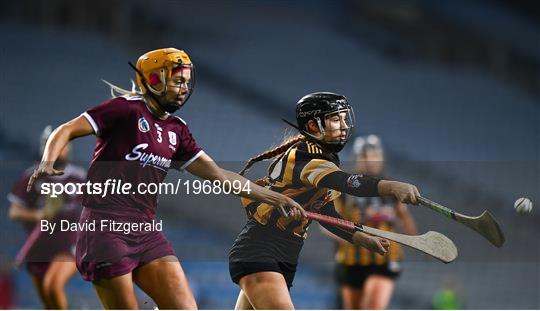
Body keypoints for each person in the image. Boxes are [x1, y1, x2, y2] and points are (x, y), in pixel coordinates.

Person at [27, 48, 304, 309]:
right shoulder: (125, 109)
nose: (184, 88)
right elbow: (66, 130)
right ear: (153, 79)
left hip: (146, 229)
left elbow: (219, 175)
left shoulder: (176, 130)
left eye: (186, 82)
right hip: (104, 226)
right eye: (177, 81)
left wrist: (273, 196)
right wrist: (48, 160)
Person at [229, 92, 421, 309]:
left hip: (284, 255)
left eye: (344, 118)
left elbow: (328, 215)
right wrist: (392, 187)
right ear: (312, 125)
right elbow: (349, 183)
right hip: (261, 250)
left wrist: (362, 239)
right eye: (335, 119)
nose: (344, 125)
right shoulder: (307, 156)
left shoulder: (323, 159)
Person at [326, 135, 417, 310]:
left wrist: (419, 242)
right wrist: (351, 229)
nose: (370, 161)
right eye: (365, 156)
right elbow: (328, 222)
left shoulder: (392, 188)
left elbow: (404, 216)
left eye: (374, 155)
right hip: (351, 260)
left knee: (372, 306)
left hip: (385, 259)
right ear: (357, 159)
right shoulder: (343, 188)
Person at [8, 126, 86, 309]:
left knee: (54, 284)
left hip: (69, 243)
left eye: (64, 145)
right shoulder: (32, 176)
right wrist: (38, 214)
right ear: (46, 148)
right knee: (48, 299)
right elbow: (14, 212)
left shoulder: (79, 176)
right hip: (40, 245)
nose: (61, 150)